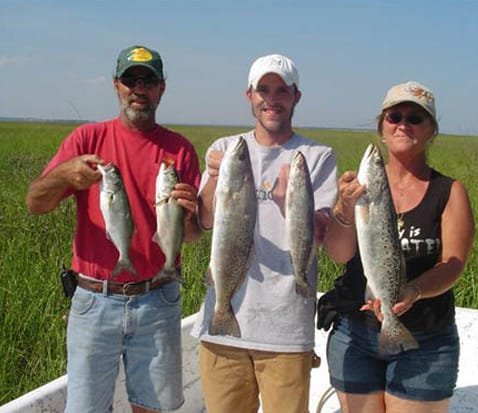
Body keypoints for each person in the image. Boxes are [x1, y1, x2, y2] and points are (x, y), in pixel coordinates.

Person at [25, 45, 202, 413]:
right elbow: (34, 203)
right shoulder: (86, 141)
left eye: (148, 80)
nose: (139, 88)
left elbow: (193, 234)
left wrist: (187, 215)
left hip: (158, 297)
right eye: (130, 80)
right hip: (94, 300)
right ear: (116, 86)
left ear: (162, 88)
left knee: (154, 408)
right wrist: (63, 174)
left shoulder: (180, 150)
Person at [190, 54, 338, 413]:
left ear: (295, 97)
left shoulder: (317, 156)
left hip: (286, 330)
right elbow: (207, 221)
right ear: (249, 95)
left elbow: (320, 236)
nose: (272, 99)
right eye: (263, 90)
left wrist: (292, 204)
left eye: (281, 90)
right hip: (221, 327)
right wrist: (213, 178)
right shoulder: (225, 149)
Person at [320, 81, 475, 413]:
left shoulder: (449, 191)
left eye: (415, 118)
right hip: (355, 333)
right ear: (382, 126)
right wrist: (345, 210)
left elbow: (453, 262)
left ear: (431, 130)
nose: (403, 123)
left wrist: (414, 290)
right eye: (394, 116)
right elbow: (339, 255)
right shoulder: (356, 191)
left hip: (427, 340)